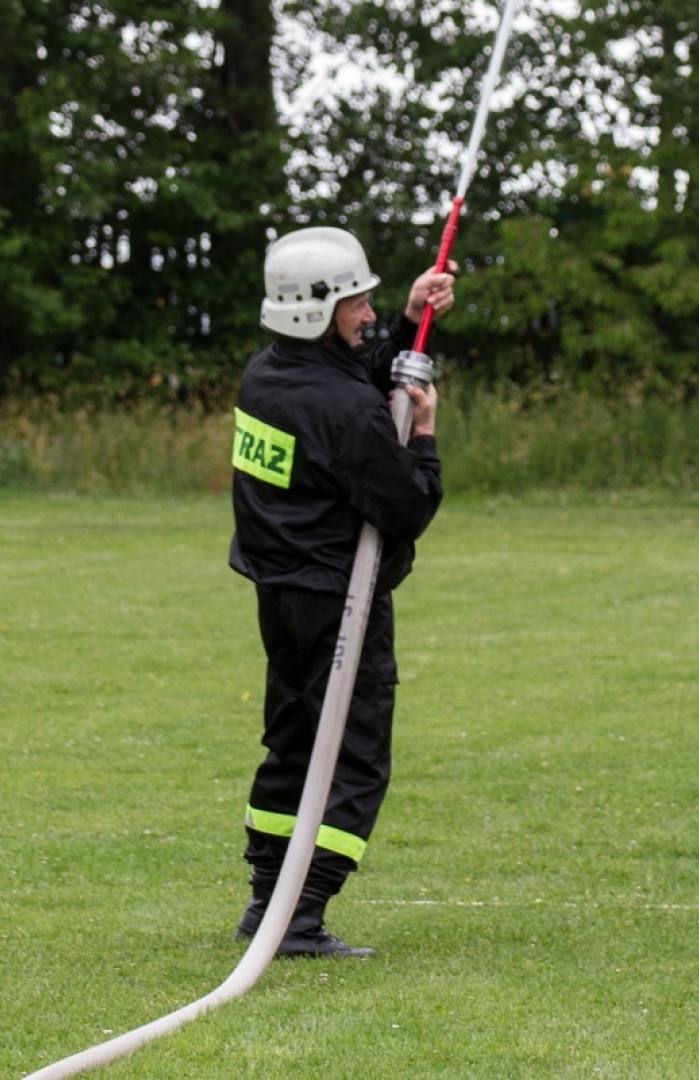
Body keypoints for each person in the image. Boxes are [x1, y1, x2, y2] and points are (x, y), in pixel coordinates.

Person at [228, 226, 454, 958]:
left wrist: (407, 320)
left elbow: (349, 379)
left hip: (282, 592)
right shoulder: (348, 411)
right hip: (341, 599)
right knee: (351, 755)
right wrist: (423, 434)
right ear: (319, 309)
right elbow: (407, 508)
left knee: (292, 742)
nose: (369, 311)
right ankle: (300, 915)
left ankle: (267, 899)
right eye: (359, 301)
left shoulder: (266, 375)